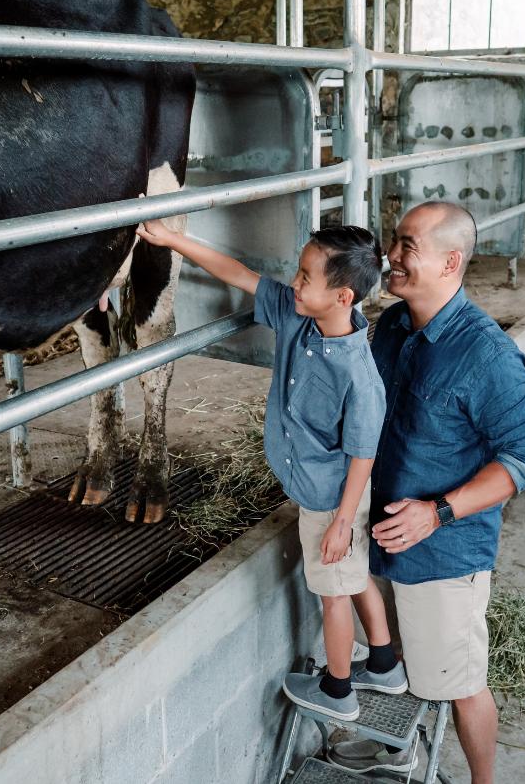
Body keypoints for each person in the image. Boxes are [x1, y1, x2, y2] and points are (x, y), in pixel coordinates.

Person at [135, 221, 406, 721]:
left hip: (333, 500)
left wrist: (343, 521)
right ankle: (385, 662)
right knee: (352, 574)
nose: (295, 283)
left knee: (333, 594)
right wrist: (174, 241)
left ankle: (339, 688)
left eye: (306, 276)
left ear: (342, 295)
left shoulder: (359, 376)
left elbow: (364, 454)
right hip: (325, 493)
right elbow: (237, 273)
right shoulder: (298, 314)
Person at [368, 201, 525, 784]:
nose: (390, 255)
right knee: (398, 668)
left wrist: (437, 513)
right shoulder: (392, 327)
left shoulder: (489, 355)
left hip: (443, 553)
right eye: (394, 240)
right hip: (378, 537)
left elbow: (522, 461)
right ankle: (403, 754)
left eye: (406, 247)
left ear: (450, 262)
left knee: (461, 683)